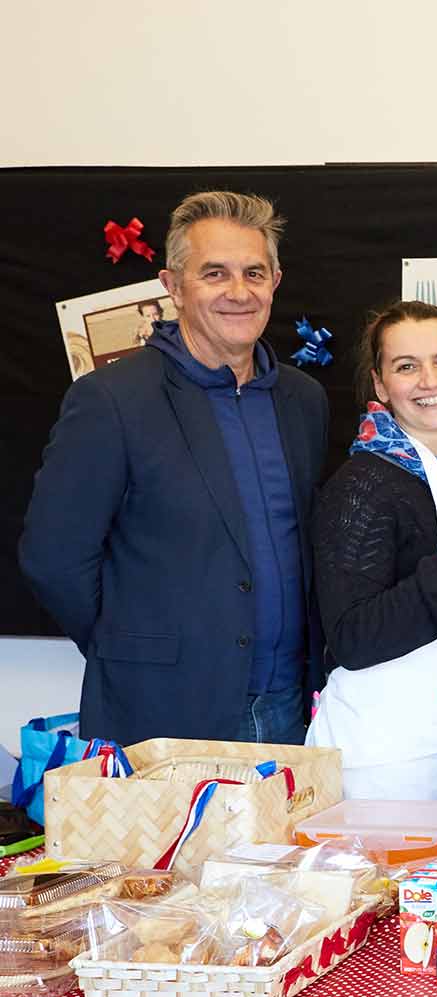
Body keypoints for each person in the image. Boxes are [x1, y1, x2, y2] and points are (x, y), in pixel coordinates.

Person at [20, 190, 327, 746]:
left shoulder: (303, 400)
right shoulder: (111, 400)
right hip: (163, 712)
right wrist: (133, 647)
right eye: (215, 274)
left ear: (275, 283)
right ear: (173, 286)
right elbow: (54, 559)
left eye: (254, 273)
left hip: (289, 710)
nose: (239, 292)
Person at [306, 301, 437, 800]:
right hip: (385, 757)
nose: (430, 380)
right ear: (380, 385)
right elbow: (352, 638)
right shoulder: (363, 486)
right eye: (406, 366)